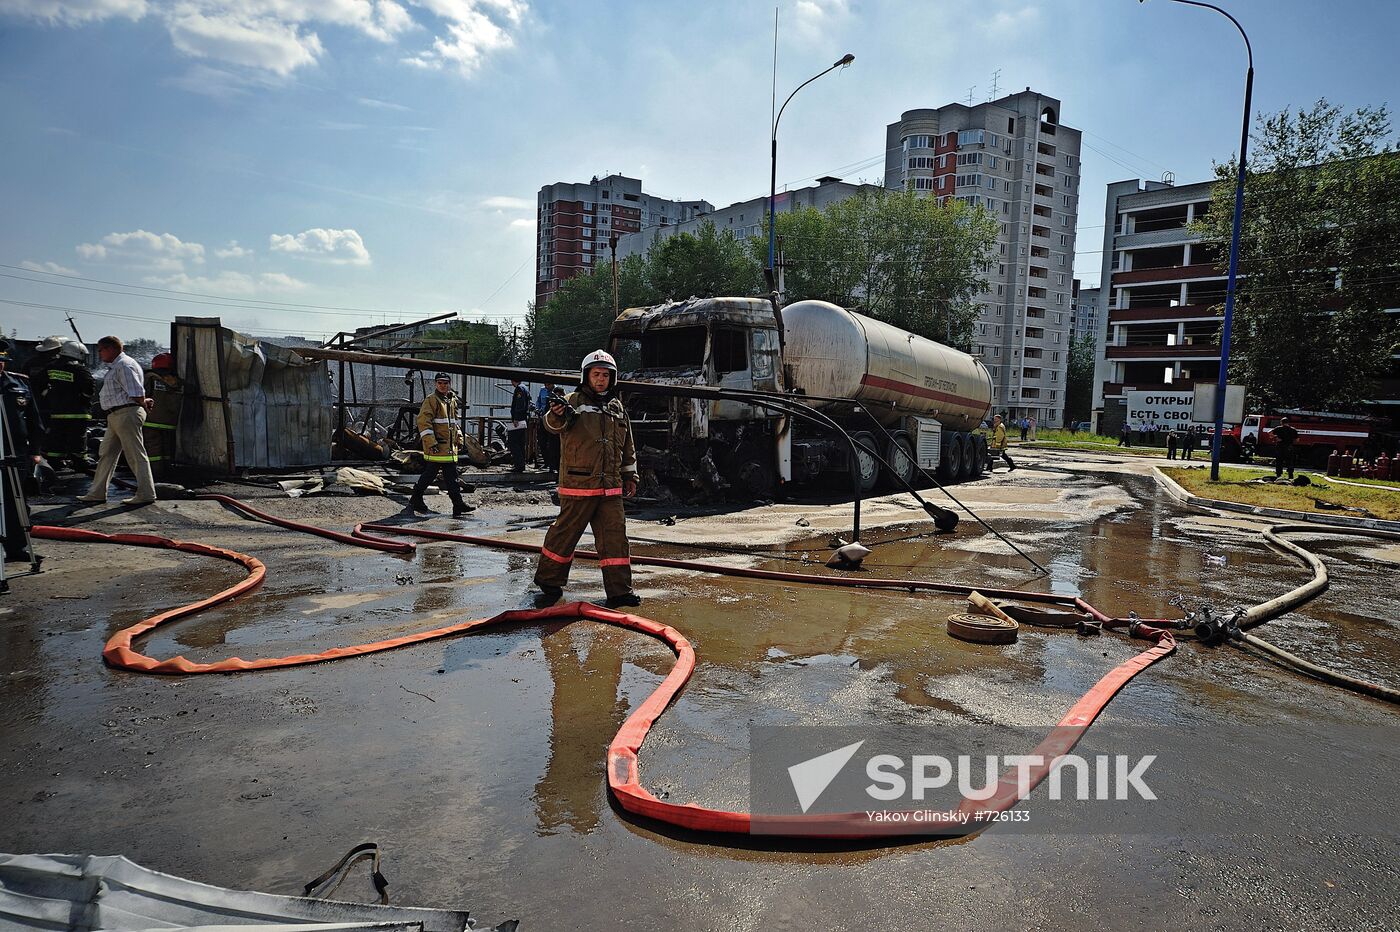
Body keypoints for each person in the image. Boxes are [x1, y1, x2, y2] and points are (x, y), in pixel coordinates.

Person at [534, 350, 640, 609]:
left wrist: (630, 476)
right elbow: (552, 424)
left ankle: (619, 591)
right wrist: (557, 413)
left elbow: (627, 446)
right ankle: (549, 582)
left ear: (612, 378)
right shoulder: (572, 402)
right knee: (564, 534)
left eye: (605, 375)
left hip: (610, 488)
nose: (601, 380)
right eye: (596, 375)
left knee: (615, 538)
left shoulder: (617, 408)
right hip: (579, 486)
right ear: (586, 376)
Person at [78, 336, 157, 506]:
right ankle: (97, 493)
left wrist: (143, 402)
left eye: (101, 350)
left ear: (111, 349)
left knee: (135, 455)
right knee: (106, 454)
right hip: (117, 415)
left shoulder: (124, 365)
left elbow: (136, 392)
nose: (99, 353)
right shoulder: (118, 365)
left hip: (125, 413)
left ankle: (146, 493)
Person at [1, 340, 46, 563]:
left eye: (2, 362)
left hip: (16, 452)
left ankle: (17, 548)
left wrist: (35, 451)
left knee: (16, 501)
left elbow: (35, 421)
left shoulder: (18, 383)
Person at [410, 373, 474, 516]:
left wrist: (459, 438)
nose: (443, 385)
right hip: (438, 446)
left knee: (449, 476)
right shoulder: (431, 400)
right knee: (432, 474)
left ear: (449, 384)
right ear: (435, 384)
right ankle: (417, 498)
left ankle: (457, 504)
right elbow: (423, 422)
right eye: (440, 383)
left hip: (448, 448)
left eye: (445, 383)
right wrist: (431, 442)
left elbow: (453, 423)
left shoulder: (451, 400)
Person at [26, 336, 95, 469]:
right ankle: (80, 461)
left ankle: (55, 461)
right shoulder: (80, 369)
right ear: (77, 353)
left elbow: (38, 383)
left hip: (57, 411)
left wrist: (48, 396)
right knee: (78, 438)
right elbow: (89, 388)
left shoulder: (50, 367)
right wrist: (83, 399)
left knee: (57, 437)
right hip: (77, 413)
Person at [141, 352, 183, 481]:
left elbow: (140, 395)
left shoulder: (149, 378)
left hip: (150, 422)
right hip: (170, 423)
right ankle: (168, 474)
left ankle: (154, 476)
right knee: (167, 451)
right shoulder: (177, 381)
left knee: (153, 451)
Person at [535, 379, 560, 473]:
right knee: (542, 441)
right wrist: (538, 409)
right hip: (543, 419)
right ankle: (547, 462)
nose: (546, 386)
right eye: (545, 384)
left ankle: (553, 465)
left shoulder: (558, 391)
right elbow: (538, 401)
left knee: (553, 443)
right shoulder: (542, 390)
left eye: (548, 384)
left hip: (553, 421)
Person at [508, 379, 531, 473]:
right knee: (520, 442)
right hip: (523, 418)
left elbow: (519, 404)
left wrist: (516, 418)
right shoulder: (525, 388)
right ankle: (521, 465)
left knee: (513, 441)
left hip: (519, 419)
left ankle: (519, 464)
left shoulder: (519, 389)